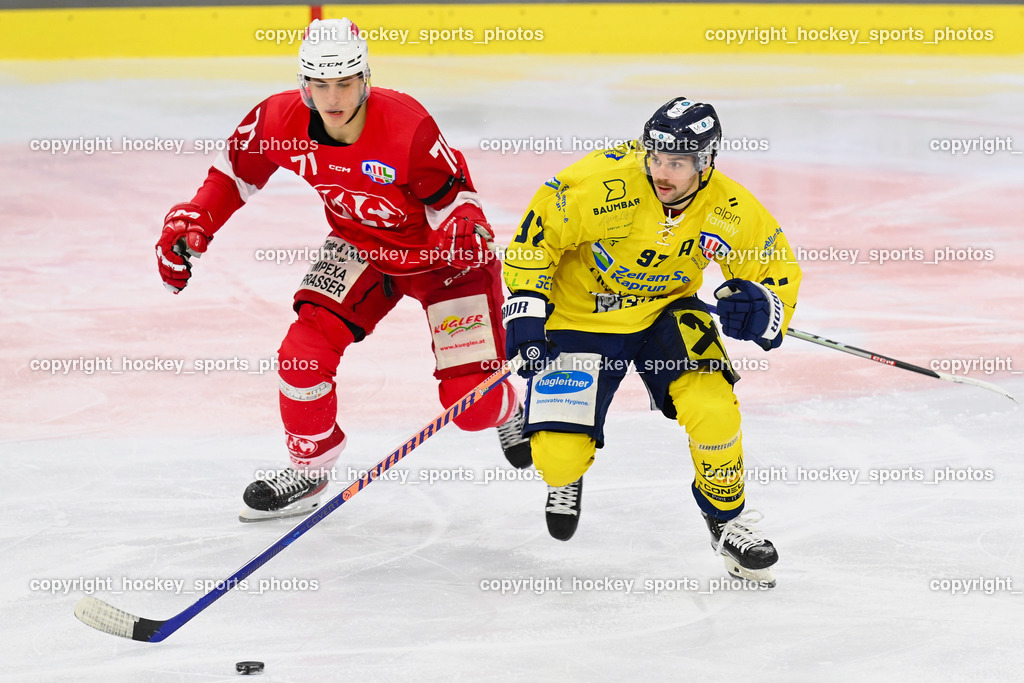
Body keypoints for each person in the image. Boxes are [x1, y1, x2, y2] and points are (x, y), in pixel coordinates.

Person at [155, 18, 531, 522]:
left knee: (473, 408)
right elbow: (232, 174)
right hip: (362, 248)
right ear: (304, 85)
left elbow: (456, 200)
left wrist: (464, 225)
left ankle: (508, 405)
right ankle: (310, 470)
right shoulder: (276, 120)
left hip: (445, 266)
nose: (333, 97)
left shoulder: (407, 126)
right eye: (321, 84)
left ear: (365, 80)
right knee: (301, 353)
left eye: (345, 83)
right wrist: (195, 219)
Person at [501, 97, 802, 585]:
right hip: (581, 317)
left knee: (715, 407)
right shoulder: (597, 184)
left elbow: (774, 270)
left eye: (678, 162)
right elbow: (535, 243)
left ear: (705, 163)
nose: (662, 171)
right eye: (657, 157)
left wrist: (764, 308)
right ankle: (557, 453)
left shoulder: (728, 206)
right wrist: (528, 307)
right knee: (557, 462)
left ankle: (726, 522)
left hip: (667, 313)